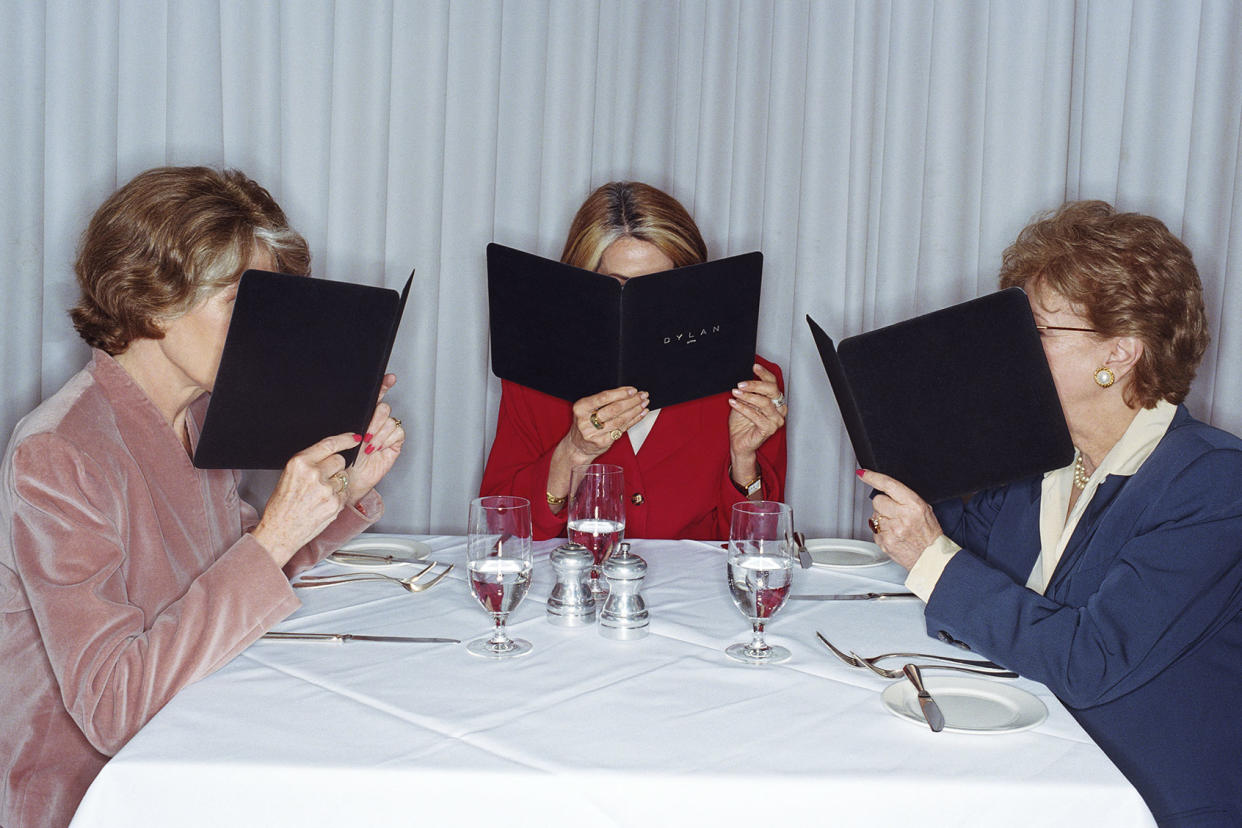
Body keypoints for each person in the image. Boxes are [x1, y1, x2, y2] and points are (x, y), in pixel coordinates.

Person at [0, 166, 406, 828]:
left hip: (199, 739)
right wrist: (275, 533)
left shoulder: (196, 420)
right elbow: (111, 706)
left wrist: (339, 493)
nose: (264, 333)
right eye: (240, 305)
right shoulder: (58, 453)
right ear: (157, 302)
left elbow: (231, 593)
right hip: (99, 795)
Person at [858, 201, 1242, 824]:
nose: (1007, 348)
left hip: (1145, 792)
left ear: (1119, 354)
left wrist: (930, 557)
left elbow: (1090, 661)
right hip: (1033, 757)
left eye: (1037, 331)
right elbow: (958, 595)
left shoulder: (1214, 483)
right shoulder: (1039, 458)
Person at [480, 181, 787, 540]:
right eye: (619, 286)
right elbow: (501, 526)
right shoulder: (530, 375)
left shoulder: (751, 383)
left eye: (660, 286)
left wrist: (743, 461)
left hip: (695, 593)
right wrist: (572, 452)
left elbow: (758, 551)